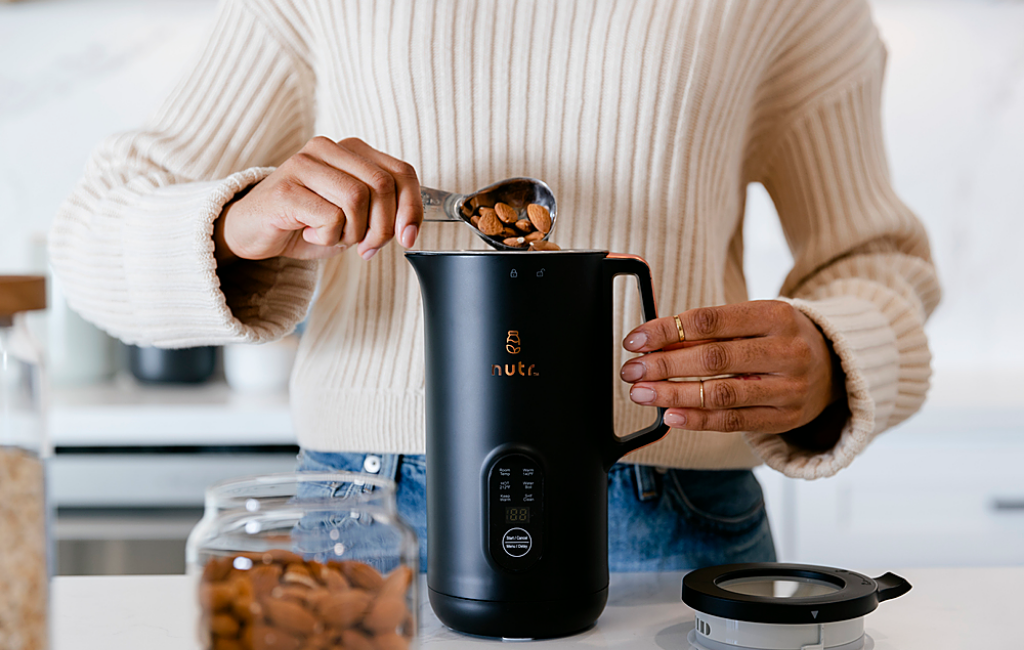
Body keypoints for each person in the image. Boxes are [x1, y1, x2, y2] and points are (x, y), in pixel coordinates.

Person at [49, 0, 940, 572]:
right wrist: (244, 219)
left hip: (663, 503)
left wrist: (831, 355)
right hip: (361, 513)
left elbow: (878, 260)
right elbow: (91, 232)